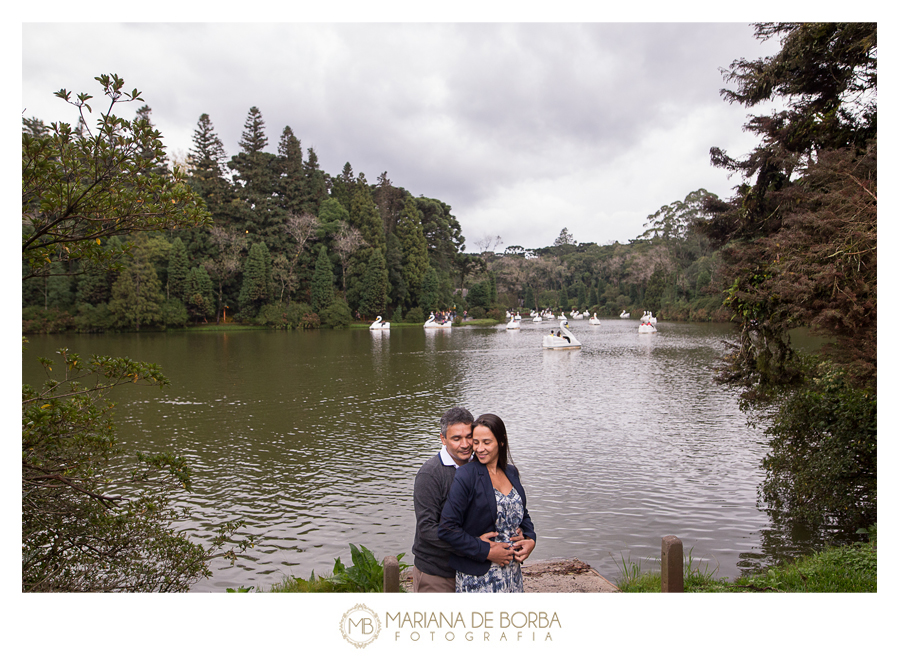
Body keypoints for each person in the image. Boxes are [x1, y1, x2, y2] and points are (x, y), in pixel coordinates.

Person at [438, 414, 536, 592]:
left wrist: (530, 539)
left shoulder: (511, 472)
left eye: (486, 442)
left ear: (501, 441)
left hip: (512, 572)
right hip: (479, 576)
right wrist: (485, 550)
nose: (480, 449)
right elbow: (447, 528)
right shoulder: (467, 475)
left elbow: (522, 512)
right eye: (476, 442)